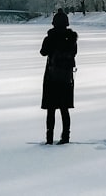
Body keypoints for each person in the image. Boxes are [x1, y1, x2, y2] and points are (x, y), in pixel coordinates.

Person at [40, 8, 78, 145]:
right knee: (64, 109)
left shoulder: (50, 38)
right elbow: (74, 53)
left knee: (51, 110)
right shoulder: (72, 39)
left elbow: (43, 52)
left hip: (51, 77)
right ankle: (66, 137)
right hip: (67, 78)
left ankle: (49, 138)